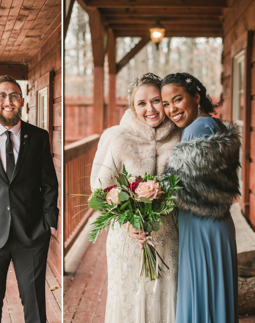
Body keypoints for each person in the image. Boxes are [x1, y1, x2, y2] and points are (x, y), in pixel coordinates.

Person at [0, 75, 58, 323]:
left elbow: (48, 183)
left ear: (22, 101)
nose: (8, 100)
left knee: (34, 304)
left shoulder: (38, 137)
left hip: (32, 232)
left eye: (14, 95)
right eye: (2, 95)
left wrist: (49, 220)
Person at [90, 73, 181, 322]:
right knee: (130, 301)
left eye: (156, 101)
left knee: (165, 297)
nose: (150, 109)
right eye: (141, 103)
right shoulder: (118, 137)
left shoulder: (179, 136)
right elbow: (100, 189)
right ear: (132, 106)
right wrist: (128, 221)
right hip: (129, 238)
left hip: (168, 235)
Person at [160, 72, 240, 323]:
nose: (171, 109)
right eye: (165, 104)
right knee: (213, 299)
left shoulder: (197, 128)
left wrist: (150, 192)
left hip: (201, 226)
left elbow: (179, 186)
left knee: (201, 297)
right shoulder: (212, 124)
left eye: (177, 99)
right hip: (214, 224)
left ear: (196, 97)